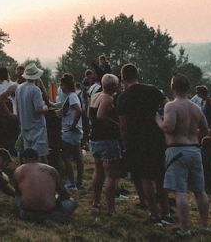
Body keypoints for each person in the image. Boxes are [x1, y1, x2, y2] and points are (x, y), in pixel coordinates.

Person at [156, 73, 209, 236]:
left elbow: (168, 128)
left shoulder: (171, 106)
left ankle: (184, 229)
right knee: (200, 190)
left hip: (177, 150)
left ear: (173, 87)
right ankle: (204, 226)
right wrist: (195, 139)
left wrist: (158, 119)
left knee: (181, 191)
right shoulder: (196, 107)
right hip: (194, 149)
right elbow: (205, 129)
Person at [117, 63, 168, 223]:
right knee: (160, 177)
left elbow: (123, 125)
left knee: (145, 177)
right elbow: (167, 105)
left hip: (136, 140)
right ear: (137, 75)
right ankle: (166, 212)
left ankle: (154, 213)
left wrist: (125, 144)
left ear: (123, 78)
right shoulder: (152, 90)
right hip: (157, 137)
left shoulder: (123, 97)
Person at [12, 148, 76, 223]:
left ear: (23, 159)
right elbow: (64, 195)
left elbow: (18, 193)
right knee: (71, 202)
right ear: (38, 158)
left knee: (17, 196)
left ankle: (25, 214)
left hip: (27, 212)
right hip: (50, 212)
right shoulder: (51, 169)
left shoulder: (18, 170)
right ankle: (55, 216)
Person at [88, 73, 121, 216]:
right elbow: (100, 116)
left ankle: (95, 202)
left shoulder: (95, 96)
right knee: (111, 175)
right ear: (113, 86)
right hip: (107, 140)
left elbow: (91, 115)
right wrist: (117, 125)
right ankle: (111, 209)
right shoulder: (108, 98)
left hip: (94, 139)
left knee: (98, 171)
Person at [14, 64, 49, 160]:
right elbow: (38, 109)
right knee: (40, 156)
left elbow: (17, 107)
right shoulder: (35, 90)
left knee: (28, 156)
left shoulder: (19, 88)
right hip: (37, 127)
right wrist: (45, 107)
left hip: (25, 126)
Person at [56, 73, 83, 190]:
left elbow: (79, 110)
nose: (60, 87)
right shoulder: (72, 96)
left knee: (65, 157)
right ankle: (79, 182)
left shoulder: (72, 96)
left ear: (66, 85)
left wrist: (72, 124)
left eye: (61, 85)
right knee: (78, 157)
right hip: (76, 132)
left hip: (70, 131)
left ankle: (72, 183)